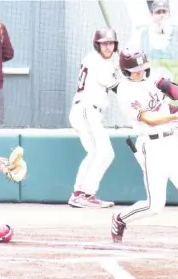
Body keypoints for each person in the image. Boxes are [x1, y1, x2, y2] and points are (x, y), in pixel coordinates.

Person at [112, 48, 178, 251]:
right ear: (126, 71)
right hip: (151, 146)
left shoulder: (153, 76)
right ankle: (120, 218)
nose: (140, 72)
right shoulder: (125, 91)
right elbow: (149, 119)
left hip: (172, 142)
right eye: (135, 69)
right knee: (155, 205)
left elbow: (169, 87)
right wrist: (176, 116)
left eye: (142, 68)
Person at [68, 28, 120, 208]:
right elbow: (118, 87)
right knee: (99, 152)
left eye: (111, 43)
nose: (108, 47)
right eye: (104, 43)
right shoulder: (100, 62)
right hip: (86, 110)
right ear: (97, 45)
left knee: (104, 154)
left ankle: (85, 193)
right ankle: (80, 194)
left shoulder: (96, 60)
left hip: (90, 112)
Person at [127, 0, 178, 90]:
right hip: (149, 94)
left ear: (169, 13)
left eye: (164, 11)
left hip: (172, 94)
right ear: (151, 15)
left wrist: (176, 79)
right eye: (158, 12)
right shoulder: (141, 35)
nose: (161, 15)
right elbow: (128, 61)